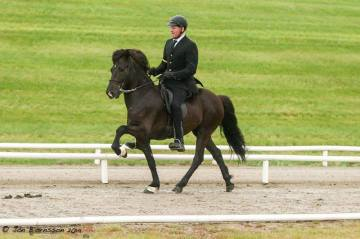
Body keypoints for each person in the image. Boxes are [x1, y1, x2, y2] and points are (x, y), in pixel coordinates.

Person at [148, 15, 199, 152]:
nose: (171, 30)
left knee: (175, 105)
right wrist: (152, 71)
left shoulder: (190, 45)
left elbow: (191, 69)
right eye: (171, 27)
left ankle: (179, 139)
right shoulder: (168, 43)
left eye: (174, 27)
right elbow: (164, 64)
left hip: (182, 84)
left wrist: (173, 74)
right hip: (167, 82)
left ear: (182, 29)